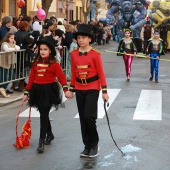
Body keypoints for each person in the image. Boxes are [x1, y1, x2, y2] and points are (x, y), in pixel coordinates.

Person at [66, 24, 109, 158]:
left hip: (92, 88)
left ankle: (94, 144)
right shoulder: (73, 54)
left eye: (83, 37)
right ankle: (86, 145)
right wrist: (71, 89)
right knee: (83, 119)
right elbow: (74, 72)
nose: (81, 40)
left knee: (89, 117)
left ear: (89, 39)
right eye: (79, 37)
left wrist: (104, 91)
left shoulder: (95, 55)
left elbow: (101, 73)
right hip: (79, 88)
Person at [23, 35, 70, 153]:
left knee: (43, 114)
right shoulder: (36, 62)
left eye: (45, 49)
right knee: (43, 113)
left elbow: (61, 77)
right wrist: (27, 91)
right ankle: (49, 134)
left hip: (49, 91)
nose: (42, 51)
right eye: (41, 49)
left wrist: (66, 90)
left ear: (50, 51)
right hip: (37, 90)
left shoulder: (54, 64)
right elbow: (32, 77)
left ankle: (41, 140)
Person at [0, 33, 20, 97]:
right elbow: (7, 49)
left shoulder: (12, 44)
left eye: (13, 38)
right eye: (11, 38)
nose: (12, 39)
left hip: (11, 62)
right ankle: (2, 88)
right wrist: (14, 48)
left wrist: (14, 45)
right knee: (4, 77)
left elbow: (18, 48)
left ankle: (2, 88)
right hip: (4, 62)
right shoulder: (4, 44)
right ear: (7, 38)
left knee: (12, 76)